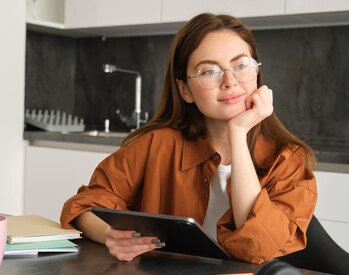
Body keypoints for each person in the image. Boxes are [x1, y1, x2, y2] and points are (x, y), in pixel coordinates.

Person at [60, 13, 317, 264]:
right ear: (185, 90)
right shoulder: (156, 145)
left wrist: (238, 134)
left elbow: (259, 248)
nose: (229, 81)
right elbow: (82, 206)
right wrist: (109, 236)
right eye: (209, 71)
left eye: (240, 65)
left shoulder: (288, 160)